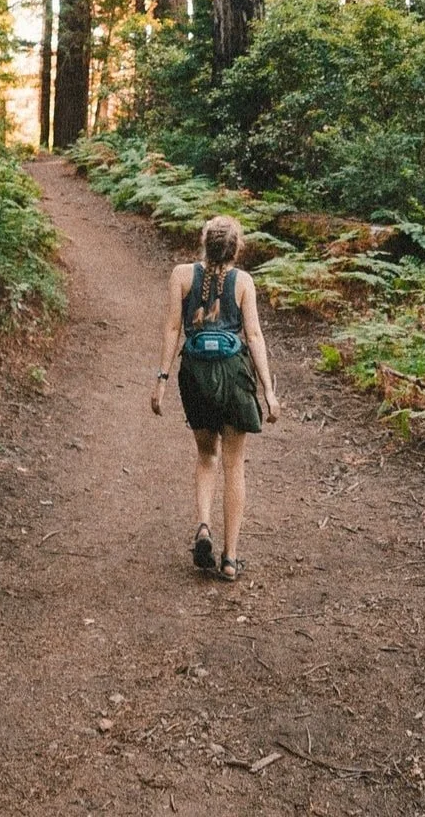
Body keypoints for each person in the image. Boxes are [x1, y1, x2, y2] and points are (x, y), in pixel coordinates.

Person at [150, 214, 279, 580]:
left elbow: (173, 328)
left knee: (207, 456)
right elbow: (253, 337)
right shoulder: (243, 282)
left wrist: (161, 379)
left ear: (204, 243)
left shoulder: (181, 275)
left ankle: (204, 525)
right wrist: (269, 391)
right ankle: (230, 558)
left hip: (195, 375)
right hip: (234, 376)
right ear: (236, 248)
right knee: (234, 466)